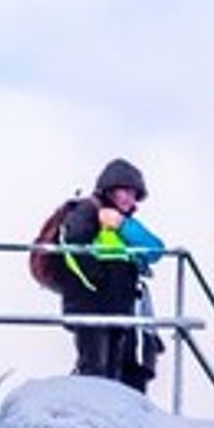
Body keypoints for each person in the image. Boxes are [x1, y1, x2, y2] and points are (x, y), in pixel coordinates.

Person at [46, 158, 165, 391]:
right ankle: (87, 412)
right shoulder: (86, 210)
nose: (130, 199)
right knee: (93, 367)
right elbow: (74, 246)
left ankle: (107, 415)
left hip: (117, 304)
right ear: (109, 189)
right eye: (125, 191)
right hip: (90, 303)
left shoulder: (123, 223)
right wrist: (98, 280)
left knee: (114, 371)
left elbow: (155, 250)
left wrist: (121, 225)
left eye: (134, 194)